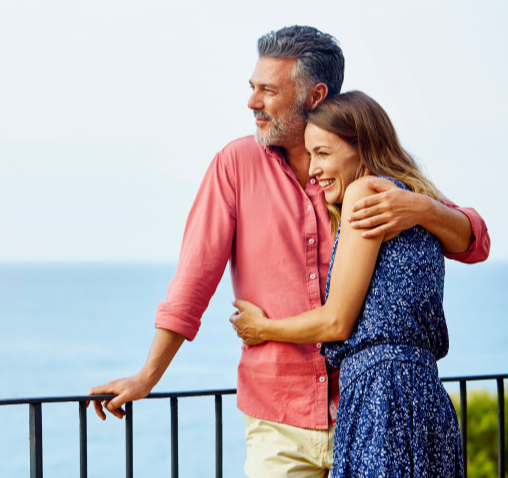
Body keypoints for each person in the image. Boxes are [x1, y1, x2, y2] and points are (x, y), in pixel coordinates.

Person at [88, 26, 490, 477]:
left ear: (315, 96)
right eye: (252, 88)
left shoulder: (362, 175)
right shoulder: (234, 166)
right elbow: (193, 280)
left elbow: (476, 241)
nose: (252, 102)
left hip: (366, 409)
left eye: (268, 90)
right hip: (278, 421)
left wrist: (421, 208)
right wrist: (148, 375)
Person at [230, 90, 467, 477]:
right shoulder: (416, 200)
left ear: (363, 145)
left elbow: (336, 321)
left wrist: (263, 328)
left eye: (323, 153)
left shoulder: (365, 193)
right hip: (424, 397)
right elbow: (466, 237)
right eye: (310, 156)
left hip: (382, 397)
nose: (312, 171)